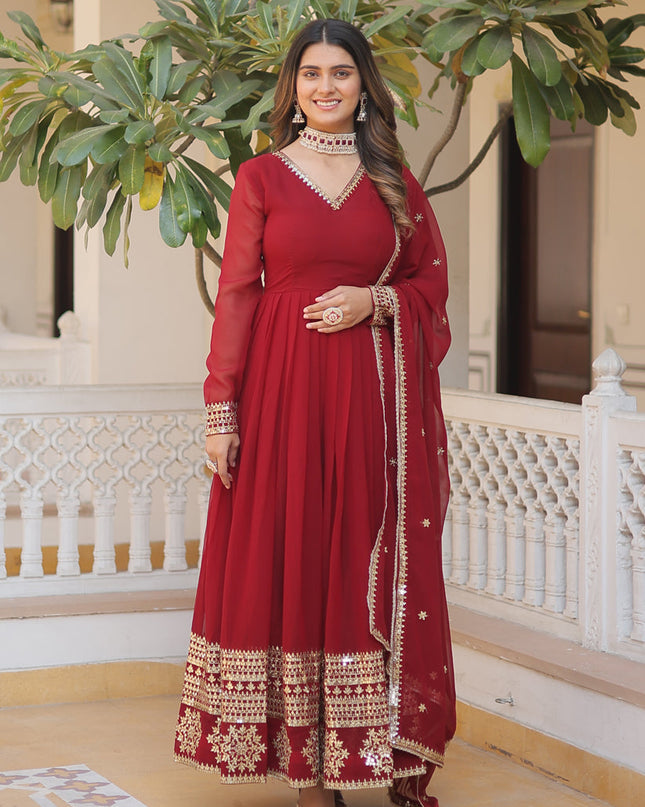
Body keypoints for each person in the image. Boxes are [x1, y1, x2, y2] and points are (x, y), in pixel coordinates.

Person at [174, 18, 455, 807]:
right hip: (281, 391)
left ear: (364, 86)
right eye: (310, 74)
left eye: (340, 73)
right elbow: (235, 295)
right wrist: (220, 412)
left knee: (354, 550)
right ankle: (308, 770)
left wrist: (375, 301)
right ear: (291, 88)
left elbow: (431, 287)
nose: (325, 86)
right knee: (291, 546)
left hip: (368, 399)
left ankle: (368, 748)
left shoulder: (393, 177)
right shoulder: (261, 176)